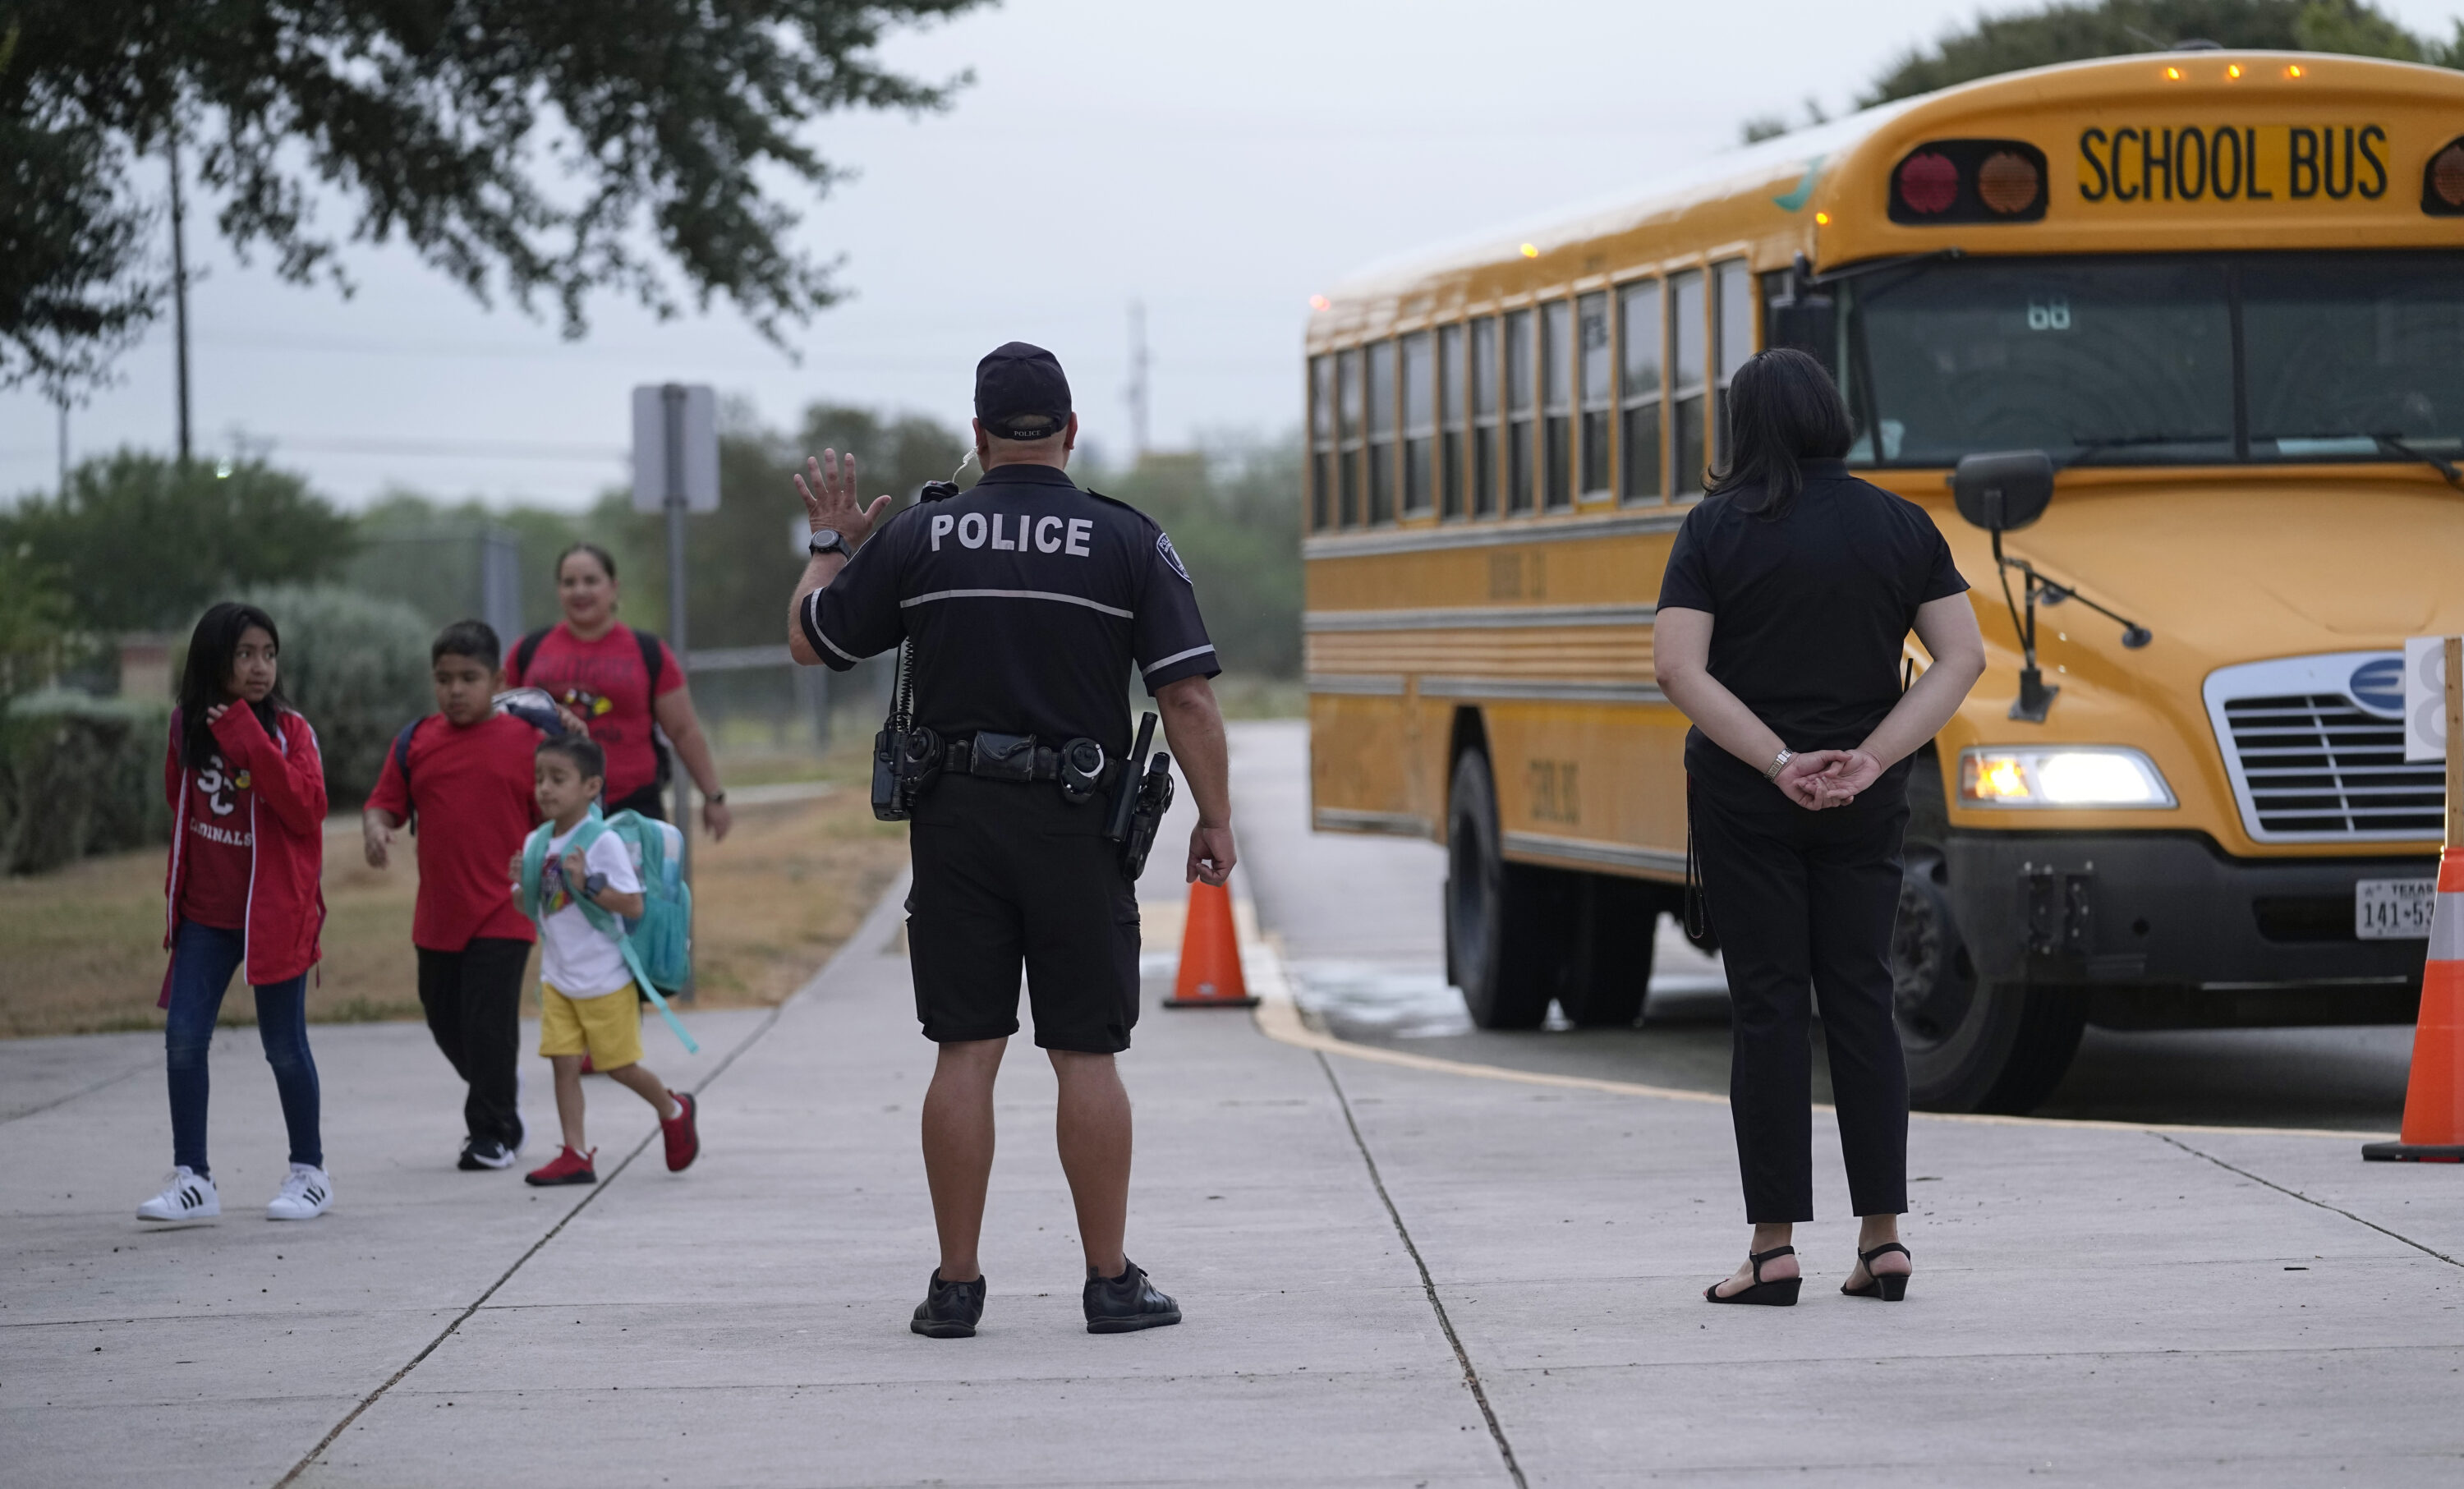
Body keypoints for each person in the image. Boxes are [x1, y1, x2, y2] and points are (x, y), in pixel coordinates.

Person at [785, 342, 1234, 1339]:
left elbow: (812, 637)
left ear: (978, 433)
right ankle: (1110, 1281)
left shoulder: (919, 537)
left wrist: (829, 539)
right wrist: (1214, 816)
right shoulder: (1126, 540)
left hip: (956, 829)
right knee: (1086, 1053)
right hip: (1079, 826)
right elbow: (1188, 694)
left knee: (965, 1050)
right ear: (1072, 431)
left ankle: (956, 1287)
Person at [1654, 348, 1986, 1306]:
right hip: (1864, 801)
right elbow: (1961, 657)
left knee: (1768, 1008)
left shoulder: (1716, 527)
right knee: (1863, 999)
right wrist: (1871, 758)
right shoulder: (1900, 524)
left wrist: (1776, 760)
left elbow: (1679, 668)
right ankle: (1883, 1241)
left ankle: (1773, 1249)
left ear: (1743, 426)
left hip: (1749, 799)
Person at [136, 601, 334, 1225]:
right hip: (206, 915)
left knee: (283, 1045)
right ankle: (193, 1179)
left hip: (276, 914)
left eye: (269, 654)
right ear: (213, 659)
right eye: (245, 654)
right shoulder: (183, 728)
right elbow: (181, 803)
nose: (259, 667)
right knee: (183, 1039)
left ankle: (310, 1172)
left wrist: (251, 738)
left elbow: (306, 809)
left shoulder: (292, 733)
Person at [365, 620, 556, 1171]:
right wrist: (376, 829)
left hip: (505, 908)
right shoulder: (416, 741)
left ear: (497, 679)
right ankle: (498, 1087)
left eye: (469, 678)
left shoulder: (529, 743)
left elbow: (559, 815)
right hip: (439, 915)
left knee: (487, 1021)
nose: (455, 689)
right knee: (443, 1018)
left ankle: (491, 1132)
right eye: (444, 678)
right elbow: (384, 803)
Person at [517, 735, 701, 1186]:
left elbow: (633, 907)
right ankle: (575, 1153)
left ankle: (673, 1108)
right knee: (562, 1063)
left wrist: (589, 882)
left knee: (618, 1067)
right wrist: (522, 885)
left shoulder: (602, 844)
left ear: (591, 786)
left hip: (605, 978)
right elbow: (538, 907)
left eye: (558, 779)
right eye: (540, 778)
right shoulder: (537, 841)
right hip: (559, 978)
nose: (545, 788)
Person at [503, 542, 733, 839]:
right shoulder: (528, 650)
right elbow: (500, 726)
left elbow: (683, 730)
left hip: (631, 810)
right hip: (547, 813)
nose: (580, 591)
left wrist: (713, 796)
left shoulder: (648, 651)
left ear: (613, 587)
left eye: (591, 581)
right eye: (569, 582)